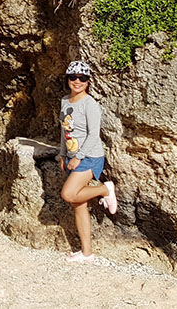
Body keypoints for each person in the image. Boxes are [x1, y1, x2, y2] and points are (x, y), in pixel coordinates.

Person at [57, 59, 117, 263]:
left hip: (90, 157)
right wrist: (63, 154)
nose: (77, 81)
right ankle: (87, 253)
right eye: (73, 77)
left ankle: (105, 189)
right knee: (78, 204)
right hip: (73, 158)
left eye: (82, 78)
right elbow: (65, 131)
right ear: (68, 79)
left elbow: (94, 135)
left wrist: (78, 158)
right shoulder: (65, 102)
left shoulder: (90, 104)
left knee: (68, 194)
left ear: (88, 81)